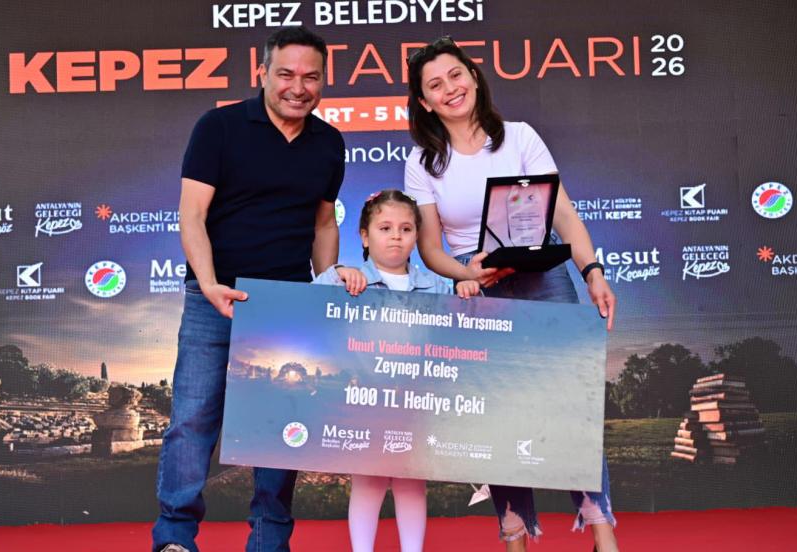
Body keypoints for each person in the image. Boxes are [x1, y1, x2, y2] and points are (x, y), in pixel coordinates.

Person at [152, 26, 366, 552]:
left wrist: (324, 283)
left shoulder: (329, 143)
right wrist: (209, 284)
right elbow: (192, 215)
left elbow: (323, 224)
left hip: (287, 305)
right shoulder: (219, 127)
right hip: (213, 300)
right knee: (192, 420)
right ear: (263, 73)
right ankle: (175, 537)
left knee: (281, 426)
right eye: (286, 74)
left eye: (311, 77)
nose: (298, 87)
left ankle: (270, 540)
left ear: (323, 81)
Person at [403, 37, 620, 552]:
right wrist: (466, 273)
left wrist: (592, 270)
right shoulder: (422, 162)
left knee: (571, 403)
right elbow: (429, 248)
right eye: (435, 85)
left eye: (456, 75)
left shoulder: (520, 136)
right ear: (425, 102)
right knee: (497, 413)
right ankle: (515, 536)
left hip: (544, 277)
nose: (450, 88)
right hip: (477, 288)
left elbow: (562, 213)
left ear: (474, 76)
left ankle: (602, 533)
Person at [314, 189, 479, 552]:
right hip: (365, 402)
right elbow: (309, 298)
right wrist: (338, 272)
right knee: (367, 482)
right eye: (385, 228)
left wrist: (467, 288)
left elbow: (466, 324)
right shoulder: (350, 281)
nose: (396, 237)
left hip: (416, 404)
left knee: (411, 483)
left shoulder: (436, 285)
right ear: (364, 236)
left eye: (406, 229)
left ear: (417, 236)